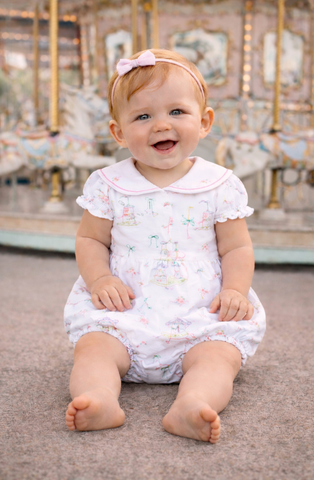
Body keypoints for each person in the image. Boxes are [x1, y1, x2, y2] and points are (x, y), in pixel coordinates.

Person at [64, 49, 266, 443]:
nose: (161, 125)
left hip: (199, 313)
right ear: (118, 132)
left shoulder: (219, 184)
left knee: (218, 358)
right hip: (125, 311)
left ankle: (192, 404)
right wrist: (100, 277)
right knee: (94, 349)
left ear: (204, 122)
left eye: (176, 112)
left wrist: (234, 290)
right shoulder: (109, 184)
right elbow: (90, 238)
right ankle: (99, 397)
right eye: (143, 116)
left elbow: (237, 248)